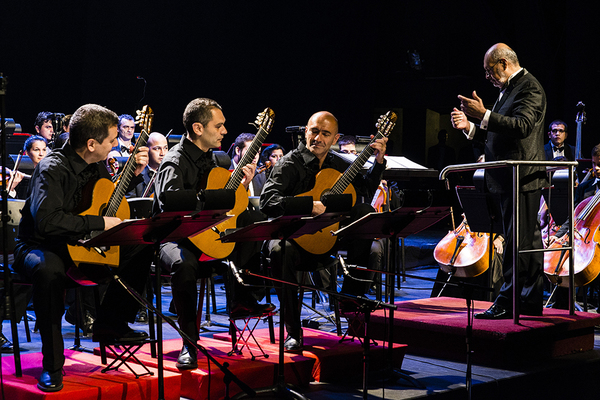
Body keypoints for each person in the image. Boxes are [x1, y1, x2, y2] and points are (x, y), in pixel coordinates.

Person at [12, 104, 151, 392]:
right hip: (40, 245)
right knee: (49, 271)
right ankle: (52, 365)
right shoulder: (51, 168)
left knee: (143, 245)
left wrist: (134, 175)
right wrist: (99, 223)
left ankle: (110, 323)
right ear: (91, 144)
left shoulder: (95, 164)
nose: (115, 144)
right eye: (112, 140)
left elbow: (100, 198)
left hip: (79, 242)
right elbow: (48, 222)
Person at [153, 98, 273, 370]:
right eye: (219, 126)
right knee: (184, 264)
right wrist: (208, 198)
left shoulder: (216, 158)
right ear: (197, 128)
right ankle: (189, 342)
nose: (224, 132)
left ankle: (240, 299)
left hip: (208, 233)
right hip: (175, 236)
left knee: (253, 221)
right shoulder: (174, 161)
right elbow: (169, 202)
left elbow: (225, 202)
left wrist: (239, 186)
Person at [260, 111, 387, 351]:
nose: (318, 138)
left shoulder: (337, 163)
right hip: (294, 240)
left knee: (364, 214)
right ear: (306, 131)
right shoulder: (289, 163)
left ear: (335, 138)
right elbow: (268, 201)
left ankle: (348, 300)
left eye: (325, 134)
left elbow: (366, 191)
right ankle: (293, 331)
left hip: (326, 240)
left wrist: (378, 162)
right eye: (314, 131)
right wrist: (310, 205)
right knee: (279, 250)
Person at [451, 43, 547, 319]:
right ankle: (528, 300)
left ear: (504, 63)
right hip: (509, 177)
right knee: (524, 241)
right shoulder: (511, 89)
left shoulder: (529, 87)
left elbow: (522, 127)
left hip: (522, 176)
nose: (487, 76)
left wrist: (483, 115)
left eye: (489, 69)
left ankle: (508, 301)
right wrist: (470, 127)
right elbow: (499, 132)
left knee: (519, 242)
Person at [126, 131, 168, 198]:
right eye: (157, 149)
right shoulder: (135, 174)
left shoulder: (171, 173)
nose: (162, 153)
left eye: (165, 148)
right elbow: (130, 204)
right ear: (146, 150)